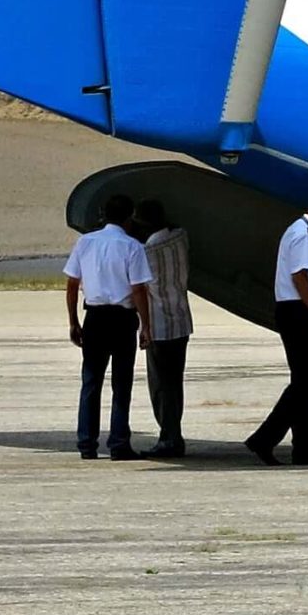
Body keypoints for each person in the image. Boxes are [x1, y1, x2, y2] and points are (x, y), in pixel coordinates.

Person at [246, 190, 308, 467]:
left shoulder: (304, 233)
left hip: (298, 310)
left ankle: (303, 445)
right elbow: (300, 277)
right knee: (303, 383)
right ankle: (264, 439)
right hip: (298, 311)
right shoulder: (303, 235)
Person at [62, 191, 152, 460]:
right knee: (121, 383)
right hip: (122, 318)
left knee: (91, 381)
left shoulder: (85, 242)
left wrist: (73, 321)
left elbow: (72, 284)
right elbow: (138, 289)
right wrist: (145, 325)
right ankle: (118, 443)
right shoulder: (132, 246)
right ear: (130, 217)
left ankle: (87, 443)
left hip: (94, 317)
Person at [137, 197, 192, 459]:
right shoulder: (180, 237)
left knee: (161, 385)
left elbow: (139, 286)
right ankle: (173, 433)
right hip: (181, 320)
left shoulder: (148, 252)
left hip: (159, 324)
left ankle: (168, 436)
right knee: (175, 382)